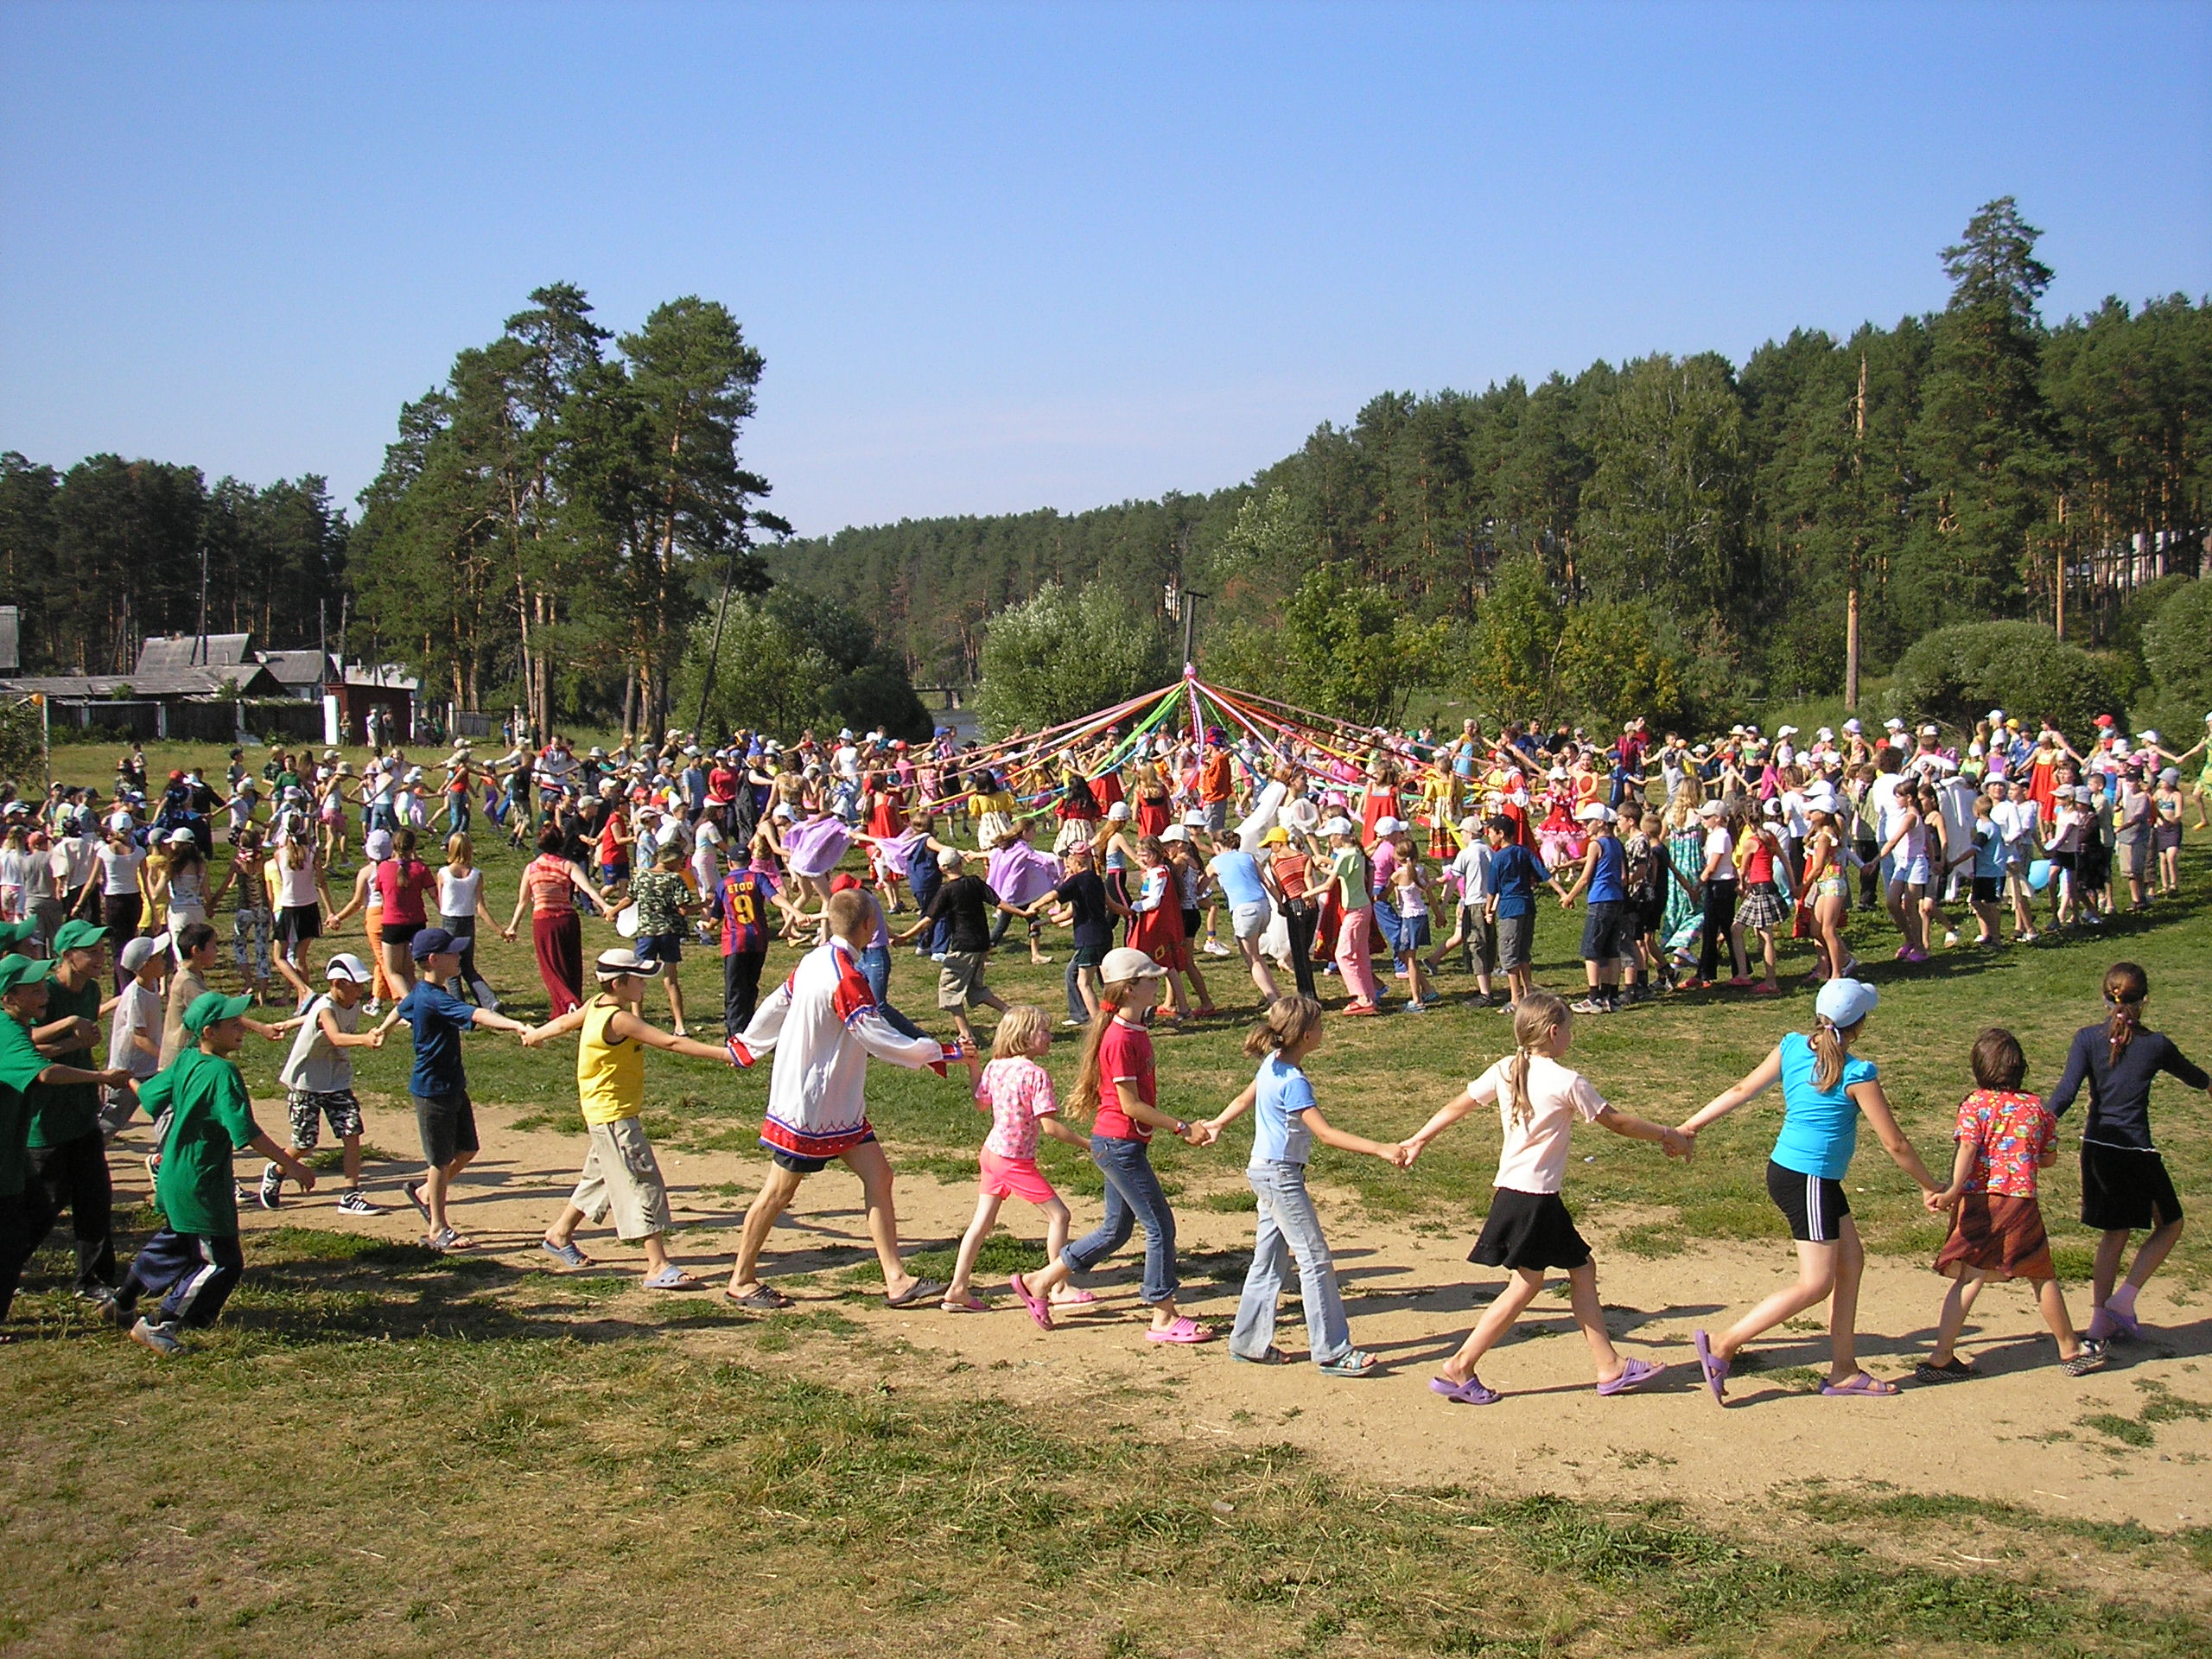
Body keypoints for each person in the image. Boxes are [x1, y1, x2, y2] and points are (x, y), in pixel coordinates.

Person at [1402, 989, 1683, 1403]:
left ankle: (1608, 1367)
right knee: (1529, 1283)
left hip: (1522, 1195)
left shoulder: (1504, 1069)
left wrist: (1419, 1138)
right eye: (1569, 1027)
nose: (1572, 1033)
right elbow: (1618, 1123)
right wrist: (1667, 1134)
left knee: (1578, 1269)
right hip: (1533, 1199)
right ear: (1554, 1032)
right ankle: (1459, 1367)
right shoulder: (1568, 1082)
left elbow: (1457, 1106)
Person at [1677, 978, 1944, 1402]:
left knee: (1850, 1262)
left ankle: (1844, 1369)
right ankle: (1724, 1344)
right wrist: (1933, 1186)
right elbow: (1896, 1145)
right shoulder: (1859, 1073)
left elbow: (1742, 1089)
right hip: (1810, 1180)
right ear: (1858, 1026)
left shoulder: (1793, 1046)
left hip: (1799, 1174)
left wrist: (1692, 1124)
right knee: (1817, 1283)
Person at [723, 888, 965, 1311]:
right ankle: (741, 1280)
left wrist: (748, 1044)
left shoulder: (814, 960)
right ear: (870, 927)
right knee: (778, 1191)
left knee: (880, 1176)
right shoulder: (845, 976)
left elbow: (778, 1002)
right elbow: (872, 1034)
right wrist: (936, 1051)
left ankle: (897, 1279)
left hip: (835, 1104)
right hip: (810, 1106)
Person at [1005, 948, 1215, 1344]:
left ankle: (1039, 1280)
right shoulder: (1119, 1038)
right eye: (1151, 979)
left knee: (1116, 1230)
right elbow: (1130, 1105)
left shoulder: (1133, 1029)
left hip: (1120, 1144)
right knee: (1160, 1227)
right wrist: (1182, 1127)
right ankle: (1163, 1316)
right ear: (1131, 988)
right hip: (1118, 1146)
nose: (1158, 984)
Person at [1200, 995, 1400, 1374]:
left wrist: (1218, 1124)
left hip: (1263, 1171)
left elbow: (1246, 1097)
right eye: (1321, 1027)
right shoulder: (1293, 1081)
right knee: (1315, 1259)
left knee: (1270, 1259)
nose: (1323, 1032)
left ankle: (1248, 1343)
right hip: (1280, 1176)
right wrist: (1381, 1149)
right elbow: (1325, 1134)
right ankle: (1333, 1351)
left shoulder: (1271, 1064)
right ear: (1308, 1036)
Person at [113, 990, 317, 1355]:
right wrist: (292, 1165)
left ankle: (123, 1298)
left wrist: (127, 1081)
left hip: (174, 1170)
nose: (241, 1028)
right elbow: (245, 1130)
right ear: (209, 1031)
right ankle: (164, 1324)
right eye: (232, 1024)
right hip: (201, 1180)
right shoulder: (223, 1072)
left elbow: (150, 1098)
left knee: (177, 1241)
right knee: (222, 1261)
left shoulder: (187, 1059)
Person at [529, 948, 738, 1288]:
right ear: (617, 983)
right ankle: (657, 1265)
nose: (643, 985)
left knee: (600, 1178)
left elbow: (566, 1022)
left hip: (605, 1113)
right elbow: (671, 1043)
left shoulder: (595, 1005)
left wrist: (537, 1034)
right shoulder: (618, 1018)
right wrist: (724, 1053)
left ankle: (558, 1234)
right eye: (638, 979)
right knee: (641, 1182)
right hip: (614, 1118)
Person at [1917, 1027, 2107, 1382]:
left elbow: (1968, 1148)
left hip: (1978, 1202)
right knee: (2040, 1274)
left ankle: (1941, 1356)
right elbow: (2047, 1160)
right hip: (2019, 1203)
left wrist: (1953, 1189)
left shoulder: (1974, 1105)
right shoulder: (2037, 1109)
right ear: (2021, 1068)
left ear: (1978, 1069)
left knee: (1969, 1278)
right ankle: (2069, 1348)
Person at [2044, 962, 2209, 1343]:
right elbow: (2196, 1077)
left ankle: (2102, 1317)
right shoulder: (2156, 1045)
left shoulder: (2086, 1039)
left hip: (2098, 1149)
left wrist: (2038, 1127)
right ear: (2145, 1000)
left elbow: (2065, 1093)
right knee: (2171, 1223)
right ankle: (2124, 1298)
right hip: (2136, 1150)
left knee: (2114, 1234)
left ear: (2105, 999)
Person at [0, 955, 135, 1326]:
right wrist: (102, 1078)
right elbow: (44, 1073)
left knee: (45, 1214)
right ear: (8, 997)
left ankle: (90, 1279)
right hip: (19, 1151)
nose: (44, 993)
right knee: (15, 1235)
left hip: (20, 1152)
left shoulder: (16, 1027)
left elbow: (36, 1053)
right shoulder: (6, 1030)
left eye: (43, 985)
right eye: (34, 989)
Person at [386, 927, 534, 1250]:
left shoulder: (425, 993)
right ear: (433, 960)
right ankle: (438, 1229)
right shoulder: (436, 998)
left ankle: (425, 1193)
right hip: (432, 1089)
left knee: (467, 1149)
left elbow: (402, 1005)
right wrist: (515, 1024)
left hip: (452, 1084)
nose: (459, 957)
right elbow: (477, 1014)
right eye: (452, 953)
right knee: (439, 1161)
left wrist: (381, 1030)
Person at [940, 1004, 1091, 1313]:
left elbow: (981, 1104)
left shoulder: (996, 1066)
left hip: (992, 1153)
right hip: (1013, 1160)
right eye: (1044, 1032)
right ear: (1024, 1037)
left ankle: (957, 1289)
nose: (1050, 1036)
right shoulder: (1036, 1075)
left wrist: (973, 1068)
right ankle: (1058, 1287)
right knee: (1059, 1216)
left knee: (981, 1223)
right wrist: (1089, 1144)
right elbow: (1050, 1127)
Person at [22, 918, 127, 1306]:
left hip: (82, 1111)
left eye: (103, 951)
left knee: (96, 1197)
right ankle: (10, 1267)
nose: (101, 958)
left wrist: (91, 1072)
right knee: (42, 1210)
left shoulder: (92, 991)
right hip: (46, 1120)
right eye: (92, 952)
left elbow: (83, 1040)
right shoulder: (42, 993)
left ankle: (95, 1279)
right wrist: (72, 1041)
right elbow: (27, 1051)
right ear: (67, 956)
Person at [261, 953, 385, 1215]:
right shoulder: (326, 1007)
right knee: (305, 1142)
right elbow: (335, 1036)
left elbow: (313, 1018)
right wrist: (364, 1039)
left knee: (352, 1132)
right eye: (357, 985)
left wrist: (291, 1023)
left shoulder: (346, 1004)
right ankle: (277, 1169)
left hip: (336, 1079)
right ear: (338, 984)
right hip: (307, 1082)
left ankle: (350, 1194)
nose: (361, 991)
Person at [894, 848, 1009, 1051]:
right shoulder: (974, 882)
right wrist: (1023, 912)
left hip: (963, 947)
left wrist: (905, 936)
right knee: (975, 989)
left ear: (941, 868)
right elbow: (999, 903)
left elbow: (928, 920)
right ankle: (1012, 1014)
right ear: (960, 863)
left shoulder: (947, 891)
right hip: (982, 945)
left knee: (949, 990)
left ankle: (966, 1035)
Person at [503, 824, 609, 1018]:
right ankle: (569, 1005)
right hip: (567, 920)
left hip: (544, 921)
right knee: (572, 964)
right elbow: (588, 889)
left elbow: (523, 901)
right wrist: (605, 906)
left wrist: (513, 927)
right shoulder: (568, 865)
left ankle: (568, 1003)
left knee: (550, 967)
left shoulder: (532, 868)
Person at [1556, 803, 1635, 1014]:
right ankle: (1611, 997)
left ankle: (1593, 997)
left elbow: (1585, 878)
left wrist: (1569, 897)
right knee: (1612, 951)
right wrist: (1572, 864)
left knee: (1591, 951)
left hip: (1600, 900)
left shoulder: (1595, 844)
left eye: (1588, 822)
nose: (1584, 825)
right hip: (1617, 899)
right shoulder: (1617, 843)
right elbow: (1623, 876)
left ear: (1600, 823)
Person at [1484, 813, 1562, 1012]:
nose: (1488, 834)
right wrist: (1562, 892)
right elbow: (1543, 873)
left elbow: (1492, 889)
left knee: (1509, 955)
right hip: (1528, 905)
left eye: (1491, 831)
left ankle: (1515, 998)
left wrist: (1488, 910)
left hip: (1510, 908)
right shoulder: (1524, 852)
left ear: (1501, 834)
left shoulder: (1498, 858)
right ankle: (1528, 992)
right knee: (1523, 953)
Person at [100, 933, 168, 1139]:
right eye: (159, 957)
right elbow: (139, 1038)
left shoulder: (151, 984)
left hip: (148, 1066)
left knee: (166, 1111)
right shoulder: (136, 995)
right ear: (147, 965)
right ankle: (85, 1150)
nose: (164, 960)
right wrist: (166, 1057)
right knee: (112, 1120)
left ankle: (163, 1156)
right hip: (128, 1069)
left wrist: (104, 1008)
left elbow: (123, 997)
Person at [627, 842, 697, 1036]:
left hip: (647, 933)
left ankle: (637, 1020)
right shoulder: (675, 879)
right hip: (669, 932)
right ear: (673, 860)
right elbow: (683, 909)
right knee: (671, 979)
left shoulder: (641, 875)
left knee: (638, 976)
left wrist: (613, 910)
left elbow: (629, 898)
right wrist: (705, 904)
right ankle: (680, 1025)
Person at [1205, 830, 1280, 1007]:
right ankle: (1273, 993)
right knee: (1257, 956)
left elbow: (1200, 888)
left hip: (1244, 910)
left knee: (1252, 958)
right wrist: (1281, 905)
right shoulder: (1249, 857)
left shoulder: (1215, 862)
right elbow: (1268, 883)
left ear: (1217, 846)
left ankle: (1274, 1001)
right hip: (1263, 906)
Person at [710, 854, 781, 1036]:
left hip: (734, 942)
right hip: (758, 941)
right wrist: (793, 911)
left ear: (729, 862)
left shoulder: (724, 884)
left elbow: (715, 916)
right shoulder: (757, 878)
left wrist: (706, 925)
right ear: (750, 862)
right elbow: (774, 896)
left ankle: (734, 1035)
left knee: (734, 990)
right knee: (751, 986)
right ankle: (749, 1028)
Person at [1324, 817, 1383, 1016]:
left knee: (1343, 954)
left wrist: (1305, 894)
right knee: (1360, 955)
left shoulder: (1345, 856)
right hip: (1363, 907)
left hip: (1355, 911)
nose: (1329, 841)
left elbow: (1328, 885)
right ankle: (1369, 995)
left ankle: (1362, 998)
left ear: (1339, 836)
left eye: (1331, 836)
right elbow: (1342, 874)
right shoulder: (1356, 852)